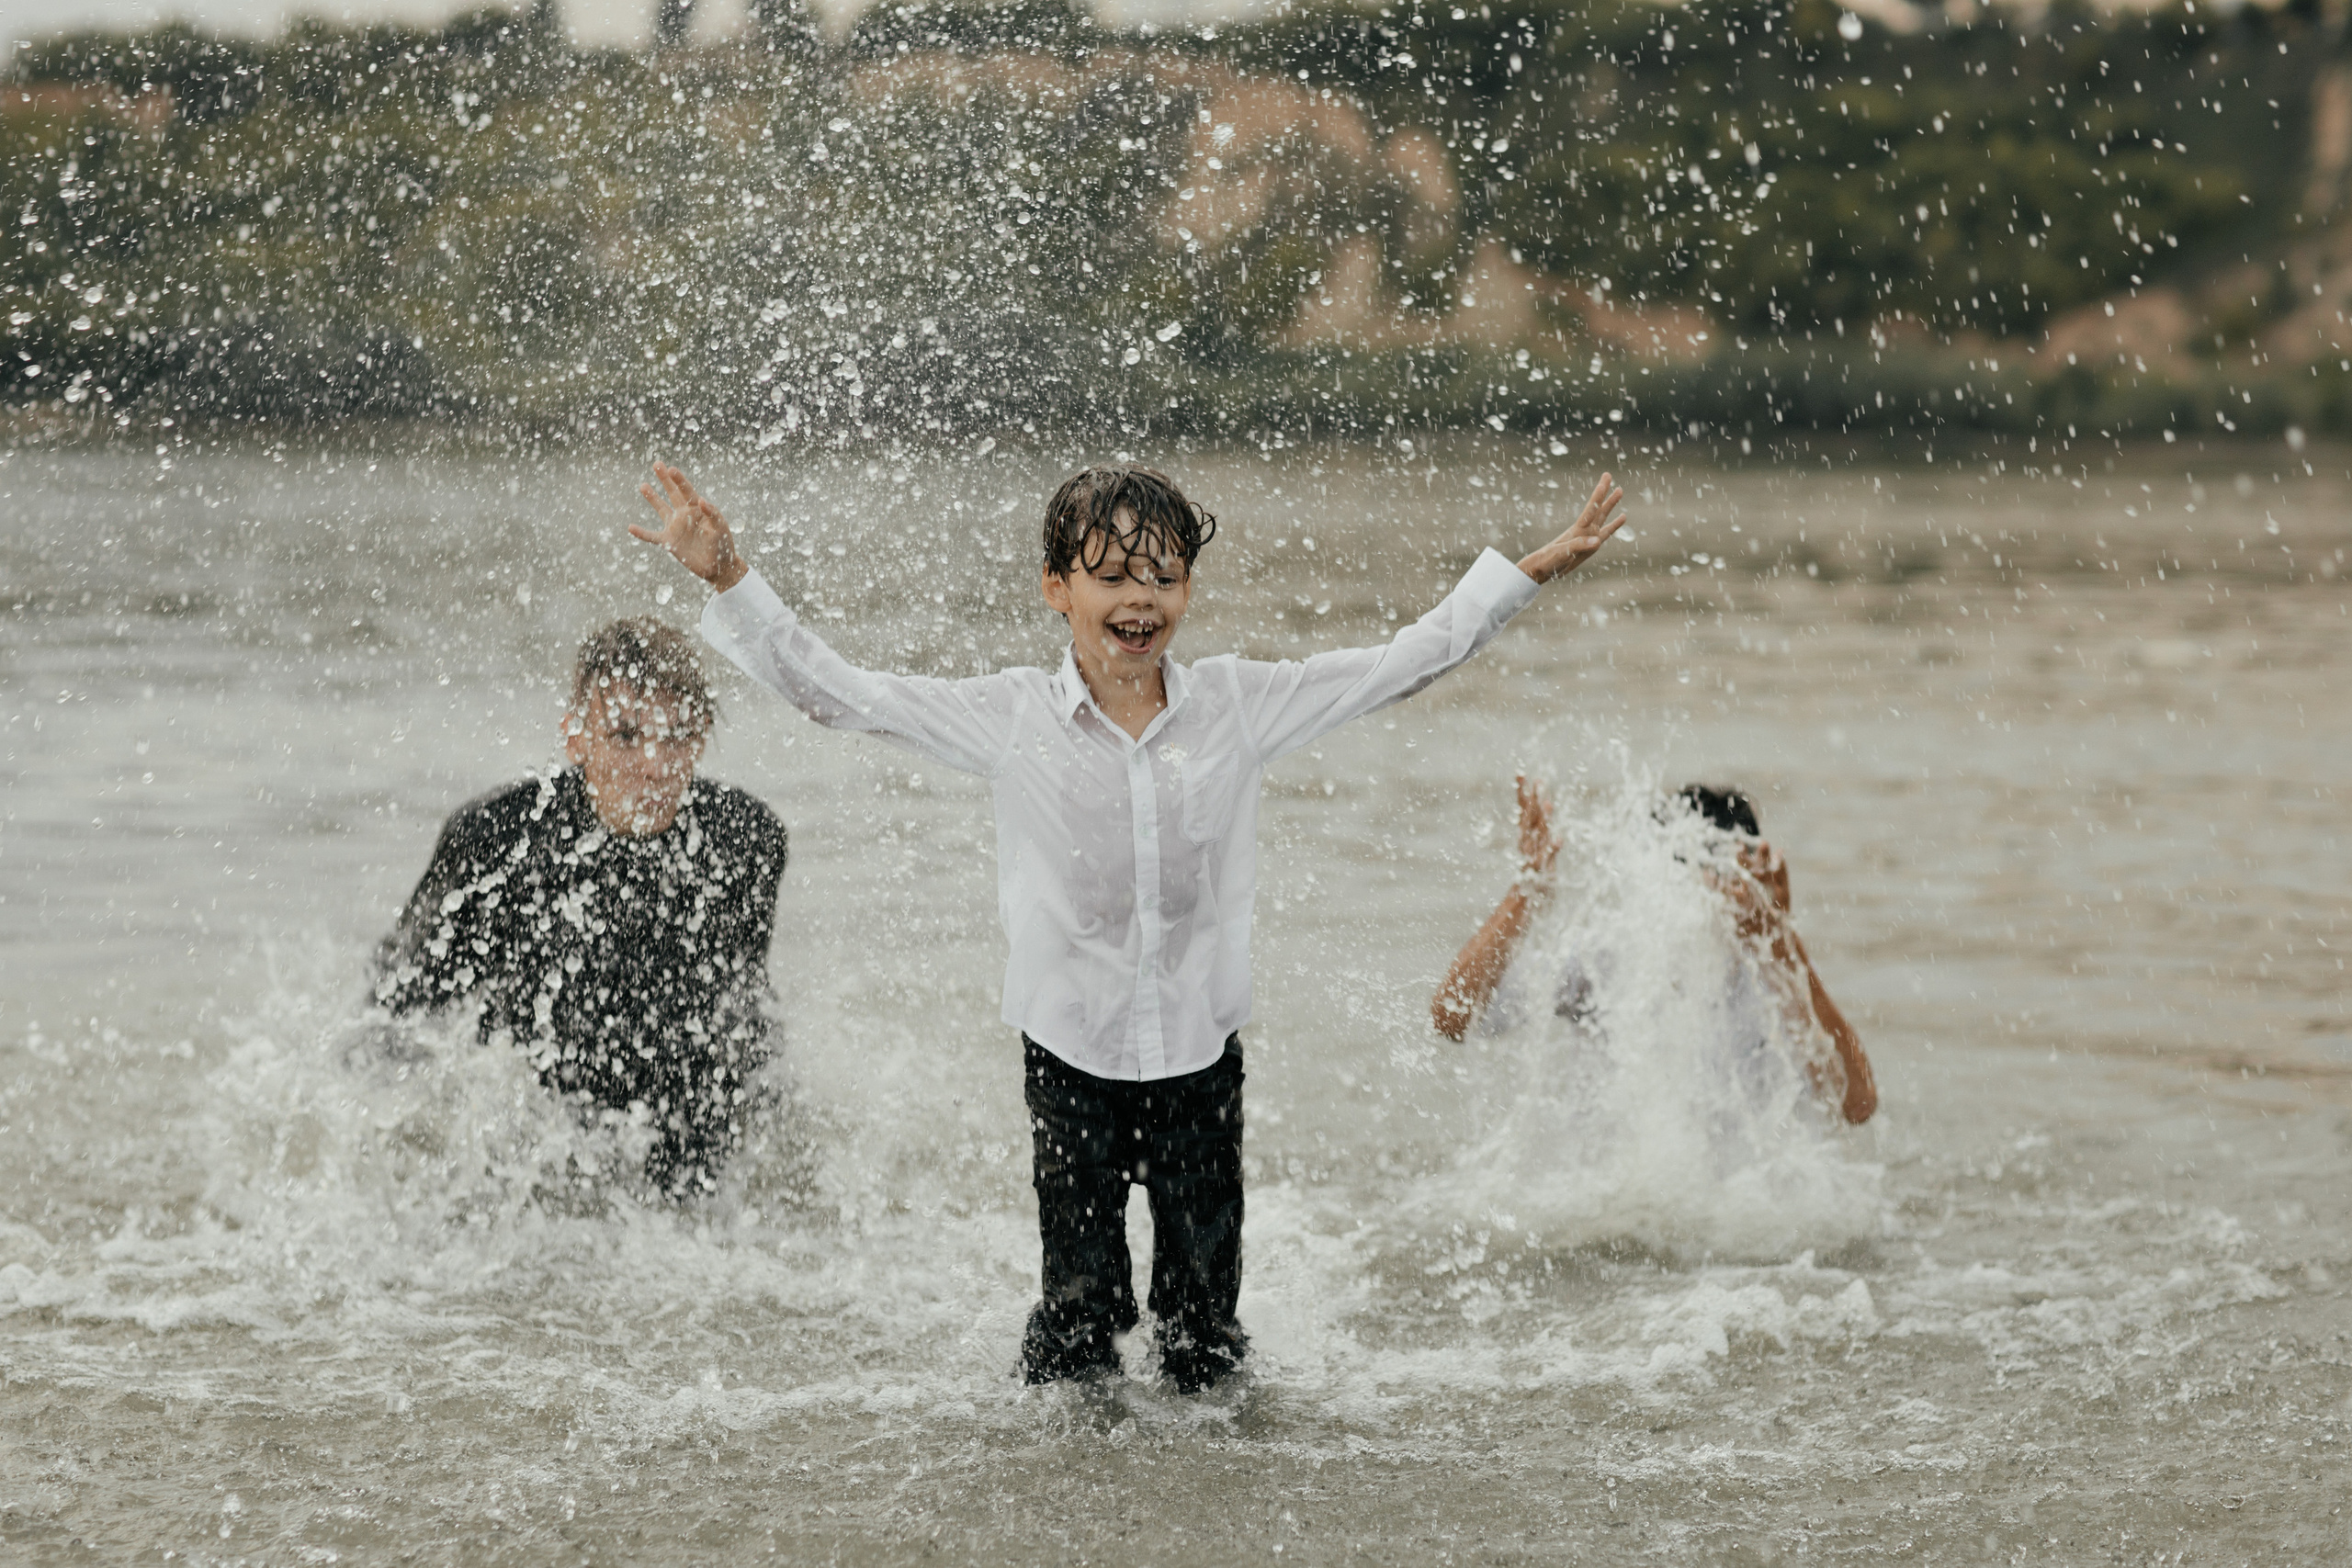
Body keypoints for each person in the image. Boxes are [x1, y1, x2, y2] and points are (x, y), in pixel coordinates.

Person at [630, 459, 1628, 1392]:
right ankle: (1071, 1498)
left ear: (1187, 591)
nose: (1139, 599)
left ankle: (1209, 1498)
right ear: (1056, 589)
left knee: (1204, 1335)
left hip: (1199, 1055)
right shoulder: (1012, 717)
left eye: (1163, 575)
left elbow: (1403, 662)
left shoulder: (1238, 704)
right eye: (1110, 576)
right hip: (1069, 1058)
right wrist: (731, 580)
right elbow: (837, 697)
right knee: (1076, 1325)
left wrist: (1533, 570)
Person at [374, 618, 790, 1197]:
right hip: (535, 1130)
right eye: (624, 735)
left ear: (701, 740)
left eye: (676, 736)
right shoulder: (495, 837)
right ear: (576, 735)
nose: (653, 765)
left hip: (684, 1117)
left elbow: (741, 1009)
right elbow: (397, 1009)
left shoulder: (745, 839)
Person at [1430, 776, 1876, 1124]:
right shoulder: (1608, 957)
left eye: (1724, 873)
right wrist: (1527, 890)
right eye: (1689, 869)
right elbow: (1452, 1015)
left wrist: (1780, 940)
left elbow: (1857, 1103)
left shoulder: (1775, 970)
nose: (1709, 889)